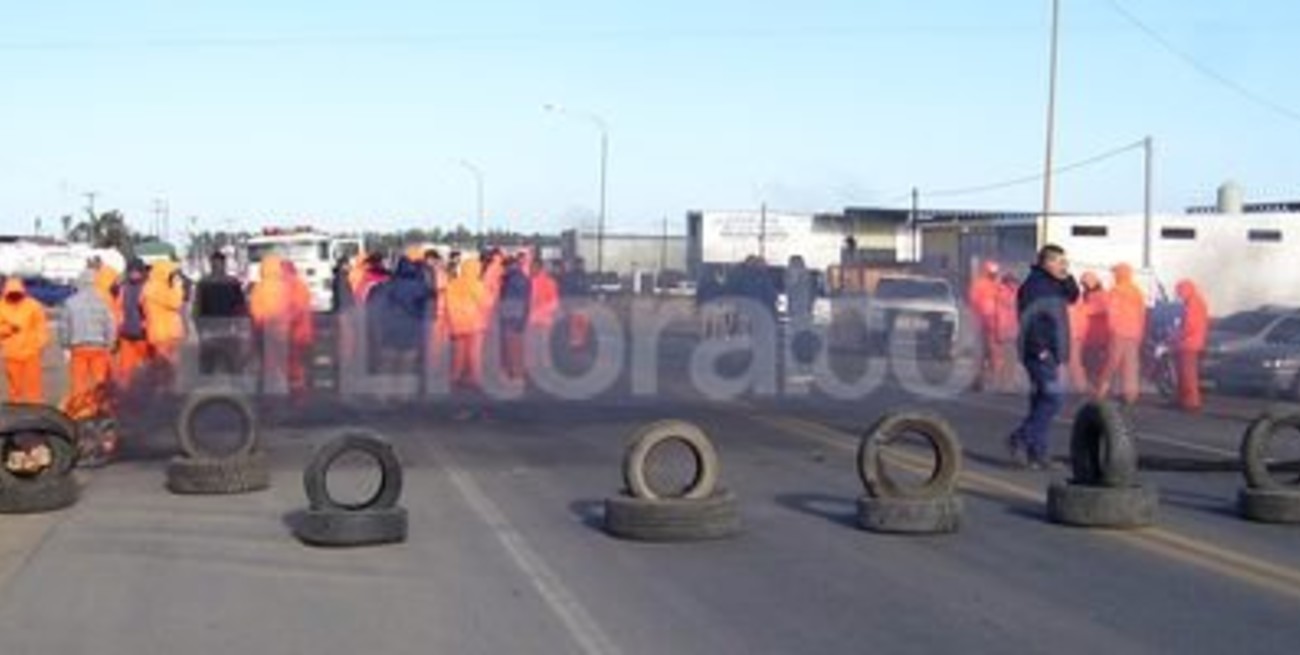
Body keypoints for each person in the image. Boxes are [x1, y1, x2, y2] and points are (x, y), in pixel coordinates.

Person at [1009, 245, 1080, 469]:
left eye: (1065, 262)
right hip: (1039, 351)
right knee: (1052, 399)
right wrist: (1041, 349)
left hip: (1051, 350)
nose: (1064, 265)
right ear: (1046, 262)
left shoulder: (1054, 283)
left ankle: (1036, 454)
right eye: (1060, 262)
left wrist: (1066, 277)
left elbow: (1073, 296)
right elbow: (1031, 320)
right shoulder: (1035, 286)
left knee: (1040, 401)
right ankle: (1021, 437)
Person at [60, 270, 118, 463]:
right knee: (99, 385)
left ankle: (82, 417)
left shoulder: (70, 302)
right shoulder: (102, 302)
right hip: (99, 348)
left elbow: (64, 327)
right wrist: (110, 344)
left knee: (79, 386)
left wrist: (65, 346)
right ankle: (97, 415)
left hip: (78, 348)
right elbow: (111, 325)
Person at [377, 257, 433, 386]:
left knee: (387, 365)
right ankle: (403, 394)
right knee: (407, 365)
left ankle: (384, 394)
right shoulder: (419, 286)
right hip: (410, 330)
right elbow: (430, 298)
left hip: (390, 330)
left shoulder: (388, 286)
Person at [1097, 262, 1147, 406]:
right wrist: (1140, 332)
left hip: (1119, 332)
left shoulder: (1116, 290)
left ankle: (1101, 392)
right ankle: (1130, 395)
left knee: (1112, 362)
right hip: (1133, 333)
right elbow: (1142, 314)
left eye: (1115, 273)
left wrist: (1112, 328)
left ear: (1119, 274)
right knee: (1131, 365)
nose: (1114, 276)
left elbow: (1112, 312)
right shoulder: (1136, 291)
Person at [193, 252, 248, 376]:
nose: (217, 265)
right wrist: (240, 326)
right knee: (231, 361)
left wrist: (199, 328)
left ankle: (207, 384)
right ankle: (234, 382)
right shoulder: (232, 282)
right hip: (228, 326)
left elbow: (197, 307)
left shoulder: (203, 282)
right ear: (224, 264)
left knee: (209, 363)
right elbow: (240, 306)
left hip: (210, 326)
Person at [0, 278, 49, 403]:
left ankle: (35, 412)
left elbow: (41, 327)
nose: (14, 296)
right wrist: (9, 329)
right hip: (11, 353)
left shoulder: (34, 306)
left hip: (30, 354)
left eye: (17, 293)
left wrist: (39, 345)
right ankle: (16, 414)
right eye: (11, 293)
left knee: (33, 389)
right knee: (15, 389)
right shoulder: (1, 306)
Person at [143, 258, 187, 386]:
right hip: (165, 334)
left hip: (161, 333)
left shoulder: (150, 286)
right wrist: (177, 285)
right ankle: (167, 395)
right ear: (164, 272)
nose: (173, 275)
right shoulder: (158, 287)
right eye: (171, 272)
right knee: (168, 369)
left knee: (166, 368)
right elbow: (176, 302)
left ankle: (166, 392)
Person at [447, 257, 487, 389]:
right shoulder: (478, 285)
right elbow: (485, 303)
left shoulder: (453, 284)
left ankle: (455, 377)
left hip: (458, 324)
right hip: (475, 324)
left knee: (459, 353)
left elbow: (449, 304)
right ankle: (475, 379)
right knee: (474, 354)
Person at [1068, 272, 1108, 394]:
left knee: (1095, 364)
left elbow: (1096, 310)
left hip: (1098, 336)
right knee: (1088, 364)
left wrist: (1079, 309)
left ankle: (1099, 389)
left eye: (1085, 284)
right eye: (1083, 284)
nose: (1083, 286)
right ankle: (1092, 388)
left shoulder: (1101, 295)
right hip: (1088, 336)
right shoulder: (1086, 295)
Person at [115, 259, 152, 388]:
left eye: (136, 271)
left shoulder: (148, 287)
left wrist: (145, 325)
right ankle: (126, 394)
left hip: (143, 335)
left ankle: (148, 392)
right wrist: (120, 326)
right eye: (131, 271)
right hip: (126, 334)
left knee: (147, 367)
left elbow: (150, 311)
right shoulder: (123, 288)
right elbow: (118, 309)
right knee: (125, 369)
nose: (134, 274)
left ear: (142, 272)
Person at [1174, 279, 1209, 412]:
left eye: (1179, 292)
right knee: (1183, 374)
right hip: (1189, 343)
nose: (1178, 295)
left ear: (1186, 290)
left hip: (1189, 344)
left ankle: (1192, 403)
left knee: (1188, 374)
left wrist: (1176, 335)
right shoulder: (1194, 301)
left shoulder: (1194, 303)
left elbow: (1190, 326)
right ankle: (1183, 400)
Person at [283, 260, 315, 402]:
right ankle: (301, 394)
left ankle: (299, 398)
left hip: (295, 334)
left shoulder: (291, 286)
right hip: (305, 333)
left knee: (296, 368)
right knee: (300, 366)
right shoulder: (301, 285)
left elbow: (296, 311)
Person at [968, 260, 1002, 391]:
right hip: (982, 324)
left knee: (995, 354)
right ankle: (979, 380)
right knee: (982, 353)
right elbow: (974, 303)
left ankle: (994, 381)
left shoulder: (998, 285)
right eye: (991, 273)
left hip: (994, 325)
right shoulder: (979, 285)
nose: (993, 275)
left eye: (994, 273)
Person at [498, 255, 532, 382]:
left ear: (510, 266)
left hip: (511, 318)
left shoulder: (512, 279)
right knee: (518, 346)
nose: (503, 269)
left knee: (511, 346)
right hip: (519, 317)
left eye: (505, 266)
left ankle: (514, 372)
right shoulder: (522, 278)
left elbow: (509, 300)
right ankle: (519, 371)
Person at [784, 255, 816, 382]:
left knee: (797, 341)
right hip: (802, 313)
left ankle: (800, 368)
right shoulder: (805, 276)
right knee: (802, 341)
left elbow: (791, 292)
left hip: (799, 313)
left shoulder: (795, 276)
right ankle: (803, 368)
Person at [527, 257, 560, 370]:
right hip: (538, 318)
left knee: (541, 342)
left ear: (539, 267)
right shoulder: (530, 281)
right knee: (537, 343)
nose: (531, 269)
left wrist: (540, 311)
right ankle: (539, 365)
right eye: (531, 267)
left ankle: (541, 365)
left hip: (540, 318)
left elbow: (554, 302)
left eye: (533, 267)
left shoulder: (548, 282)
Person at [992, 272, 1020, 392]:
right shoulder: (1004, 294)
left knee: (1010, 359)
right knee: (1008, 359)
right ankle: (1005, 384)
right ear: (1008, 282)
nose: (1015, 284)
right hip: (1006, 331)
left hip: (1011, 331)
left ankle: (1007, 383)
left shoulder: (1010, 293)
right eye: (1013, 282)